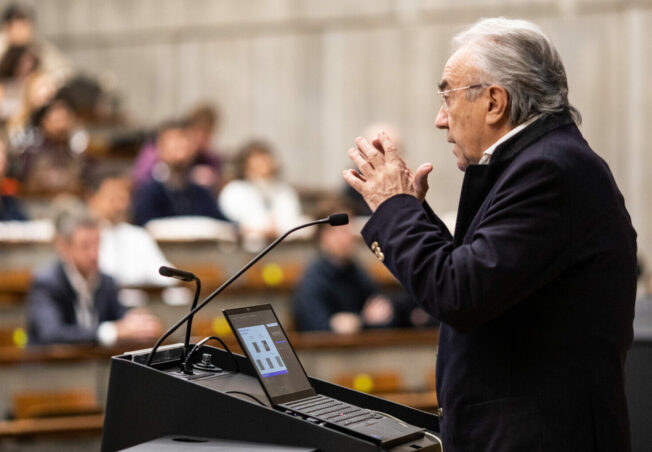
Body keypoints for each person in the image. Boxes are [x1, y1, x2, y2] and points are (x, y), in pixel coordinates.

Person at [343, 17, 637, 452]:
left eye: (447, 96)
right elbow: (478, 275)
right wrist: (411, 211)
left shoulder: (548, 172)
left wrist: (394, 208)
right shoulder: (545, 163)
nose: (440, 119)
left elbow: (458, 294)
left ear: (495, 102)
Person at [26, 210, 162, 345]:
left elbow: (120, 320)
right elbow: (51, 334)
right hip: (49, 366)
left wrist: (136, 324)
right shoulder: (47, 283)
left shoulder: (106, 281)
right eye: (85, 246)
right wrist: (108, 332)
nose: (94, 254)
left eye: (97, 245)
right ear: (65, 247)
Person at [292, 203, 396, 334]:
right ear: (323, 236)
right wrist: (340, 324)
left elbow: (379, 309)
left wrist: (359, 321)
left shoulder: (357, 271)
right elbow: (315, 327)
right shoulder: (312, 279)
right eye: (342, 232)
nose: (348, 238)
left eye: (349, 229)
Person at [131, 119, 228, 226]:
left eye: (185, 142)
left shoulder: (201, 193)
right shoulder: (149, 192)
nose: (181, 148)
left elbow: (222, 222)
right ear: (160, 148)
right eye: (174, 143)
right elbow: (145, 225)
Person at [86, 170, 173, 288]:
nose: (118, 206)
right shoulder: (84, 237)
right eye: (112, 198)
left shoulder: (139, 236)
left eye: (122, 198)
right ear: (93, 199)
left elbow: (163, 275)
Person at [218, 140, 304, 247]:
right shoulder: (234, 191)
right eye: (257, 159)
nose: (263, 163)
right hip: (248, 253)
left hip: (284, 250)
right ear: (246, 166)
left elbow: (291, 222)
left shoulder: (284, 191)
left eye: (265, 157)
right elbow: (235, 225)